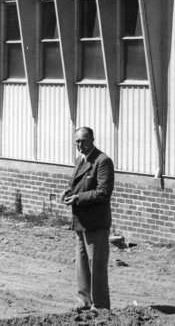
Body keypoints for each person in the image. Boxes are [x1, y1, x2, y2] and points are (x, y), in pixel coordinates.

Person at [61, 126, 114, 311]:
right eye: (77, 141)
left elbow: (103, 192)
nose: (80, 145)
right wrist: (69, 192)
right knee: (82, 264)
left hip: (96, 223)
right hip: (81, 222)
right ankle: (84, 303)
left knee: (97, 266)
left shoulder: (103, 161)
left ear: (92, 139)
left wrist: (78, 198)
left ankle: (101, 306)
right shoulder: (79, 160)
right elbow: (79, 185)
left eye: (83, 140)